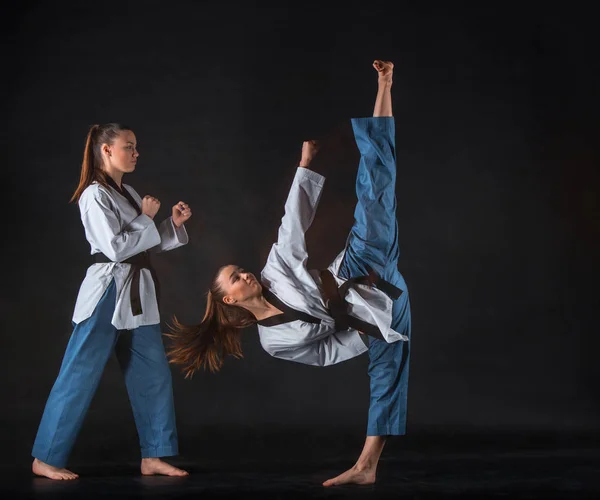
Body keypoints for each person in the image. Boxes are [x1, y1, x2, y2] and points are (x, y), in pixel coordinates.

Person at [167, 59, 410, 486]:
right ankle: (367, 465)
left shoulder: (275, 270)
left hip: (360, 266)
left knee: (376, 183)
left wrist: (305, 164)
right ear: (231, 300)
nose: (245, 275)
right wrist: (367, 329)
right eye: (236, 279)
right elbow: (324, 353)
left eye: (240, 270)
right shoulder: (274, 343)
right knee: (387, 370)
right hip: (378, 310)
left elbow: (292, 223)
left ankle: (384, 85)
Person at [31, 123, 192, 480]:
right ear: (106, 150)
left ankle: (154, 455)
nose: (135, 153)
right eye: (128, 146)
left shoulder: (129, 191)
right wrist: (147, 218)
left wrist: (170, 225)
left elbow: (143, 246)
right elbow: (116, 248)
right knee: (80, 373)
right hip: (107, 292)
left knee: (153, 375)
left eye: (136, 147)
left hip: (139, 293)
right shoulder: (93, 195)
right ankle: (45, 457)